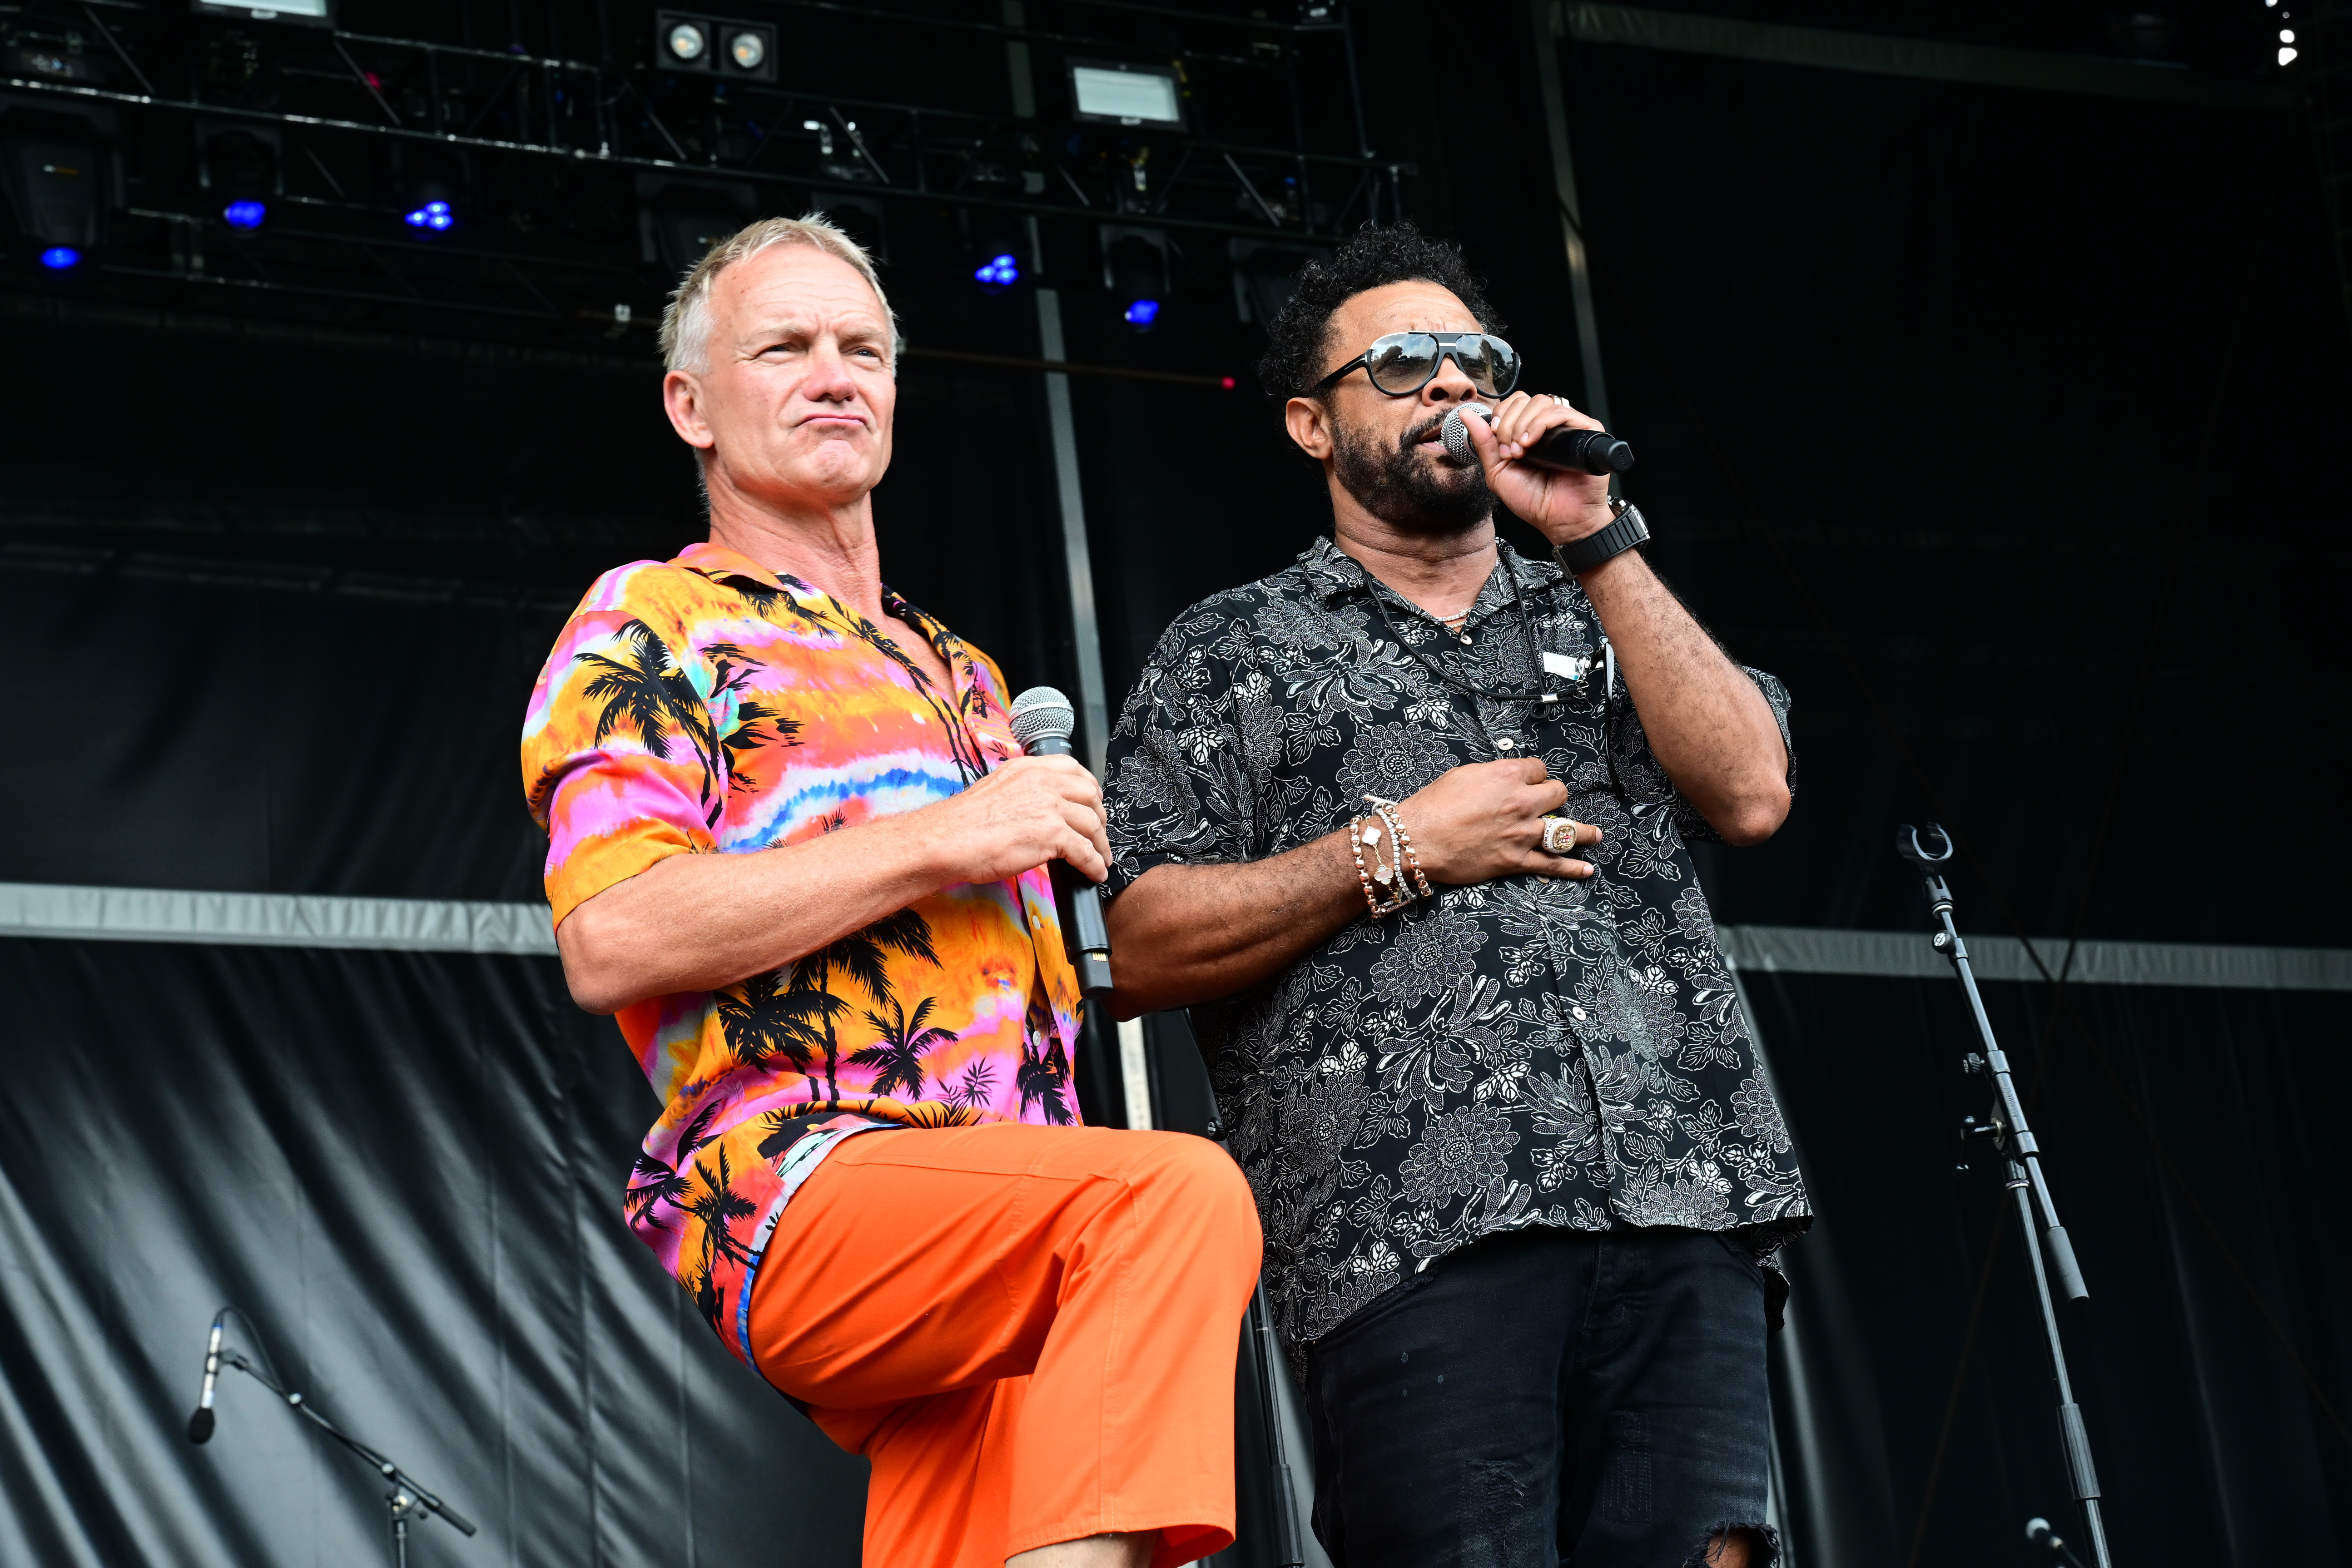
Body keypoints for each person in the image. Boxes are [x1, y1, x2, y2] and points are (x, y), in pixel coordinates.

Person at [520, 215, 1259, 1568]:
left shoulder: (966, 673)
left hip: (1010, 1237)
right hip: (807, 1184)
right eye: (784, 346)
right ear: (690, 402)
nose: (833, 373)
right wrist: (948, 837)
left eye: (862, 348)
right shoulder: (651, 622)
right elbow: (613, 937)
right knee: (1172, 1199)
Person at [1101, 223, 1810, 1567]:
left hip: (1684, 1197)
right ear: (1312, 424)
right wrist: (1397, 847)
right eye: (1403, 363)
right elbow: (1134, 941)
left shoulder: (1607, 602)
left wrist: (1595, 534)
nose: (1450, 386)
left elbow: (1752, 791)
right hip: (1410, 1238)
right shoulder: (1231, 649)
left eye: (1474, 360)